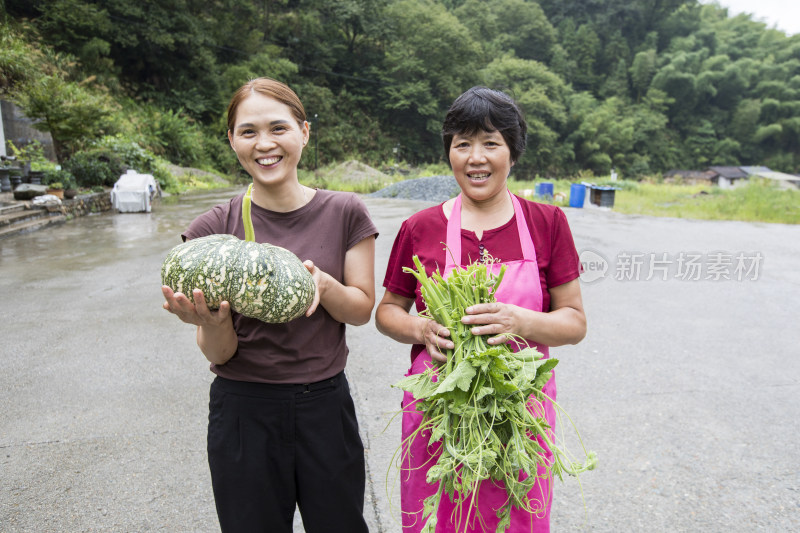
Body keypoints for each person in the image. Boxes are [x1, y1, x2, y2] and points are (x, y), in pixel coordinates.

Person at [161, 77, 377, 533]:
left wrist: (321, 283)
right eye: (248, 131)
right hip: (243, 409)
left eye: (279, 128)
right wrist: (212, 320)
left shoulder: (345, 211)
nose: (265, 144)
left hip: (324, 406)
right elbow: (218, 354)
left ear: (304, 131)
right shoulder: (213, 227)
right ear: (232, 140)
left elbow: (360, 310)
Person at [375, 86, 586, 532]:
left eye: (491, 142)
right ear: (449, 153)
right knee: (437, 518)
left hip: (518, 411)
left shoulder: (547, 223)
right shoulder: (421, 226)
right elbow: (388, 310)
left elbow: (574, 322)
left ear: (513, 152)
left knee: (516, 518)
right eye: (462, 144)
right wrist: (420, 330)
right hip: (437, 408)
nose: (476, 157)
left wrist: (521, 321)